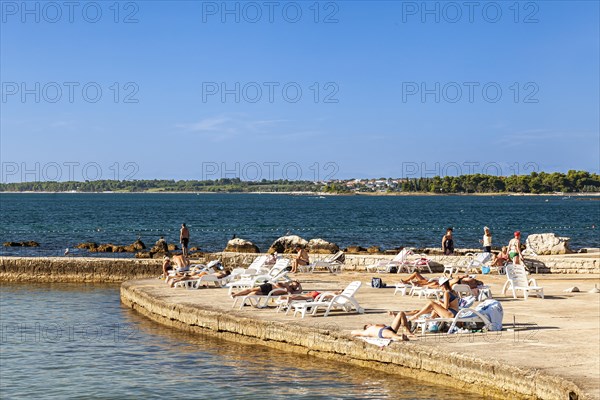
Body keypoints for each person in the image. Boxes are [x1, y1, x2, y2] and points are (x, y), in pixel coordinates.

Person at [231, 280, 303, 298]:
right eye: (296, 284)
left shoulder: (293, 291)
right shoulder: (286, 284)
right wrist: (286, 287)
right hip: (269, 287)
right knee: (252, 290)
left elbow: (300, 291)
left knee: (255, 293)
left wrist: (299, 285)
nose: (296, 286)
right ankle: (236, 294)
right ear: (292, 283)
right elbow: (277, 283)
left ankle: (243, 298)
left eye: (297, 285)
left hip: (270, 293)